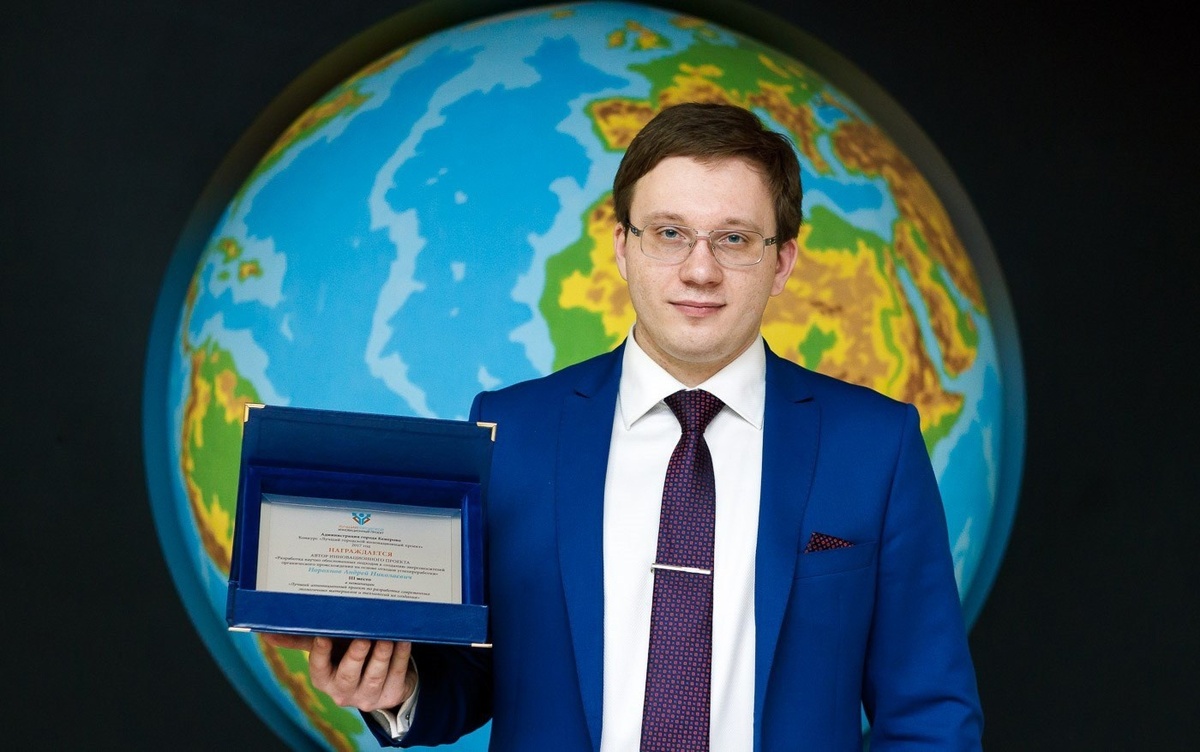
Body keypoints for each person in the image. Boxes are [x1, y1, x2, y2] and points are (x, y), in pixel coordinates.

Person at [266, 102, 983, 750]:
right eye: (669, 233)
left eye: (734, 239)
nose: (699, 270)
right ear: (622, 246)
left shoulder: (875, 445)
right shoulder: (512, 432)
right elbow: (474, 679)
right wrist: (398, 689)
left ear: (782, 262)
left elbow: (930, 713)